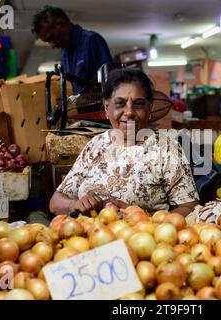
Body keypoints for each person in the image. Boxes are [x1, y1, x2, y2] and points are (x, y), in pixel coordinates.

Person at [49, 69, 200, 217]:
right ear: (107, 108)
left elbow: (189, 207)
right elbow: (55, 202)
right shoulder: (95, 145)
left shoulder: (166, 149)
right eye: (120, 103)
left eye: (139, 104)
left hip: (141, 238)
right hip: (90, 237)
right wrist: (73, 205)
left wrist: (141, 216)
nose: (129, 112)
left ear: (150, 108)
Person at [32, 6, 112, 95]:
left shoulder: (91, 40)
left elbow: (110, 81)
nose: (52, 45)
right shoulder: (64, 53)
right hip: (78, 107)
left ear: (61, 23)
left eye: (51, 37)